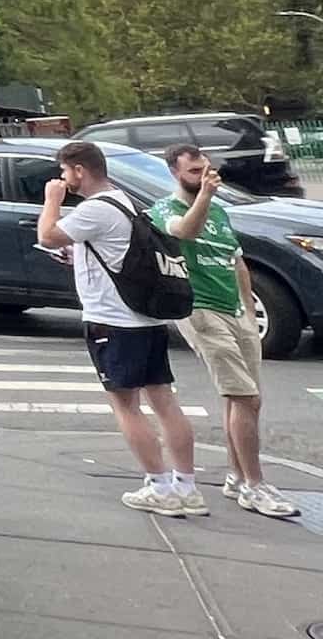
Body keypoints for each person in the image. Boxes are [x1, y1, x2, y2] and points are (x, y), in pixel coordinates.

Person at [38, 140, 202, 516]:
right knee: (163, 398)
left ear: (79, 170)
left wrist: (52, 200)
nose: (62, 179)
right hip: (147, 316)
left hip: (112, 318)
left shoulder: (94, 209)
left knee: (125, 405)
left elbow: (47, 235)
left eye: (65, 172)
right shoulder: (122, 199)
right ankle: (186, 485)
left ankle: (159, 485)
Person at [155, 144, 296, 517]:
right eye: (193, 173)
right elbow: (186, 230)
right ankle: (255, 484)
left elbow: (236, 260)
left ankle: (237, 476)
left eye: (205, 169)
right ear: (175, 173)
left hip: (235, 310)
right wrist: (204, 195)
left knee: (246, 399)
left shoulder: (219, 211)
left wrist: (249, 311)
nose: (203, 177)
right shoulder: (165, 209)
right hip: (201, 310)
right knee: (243, 397)